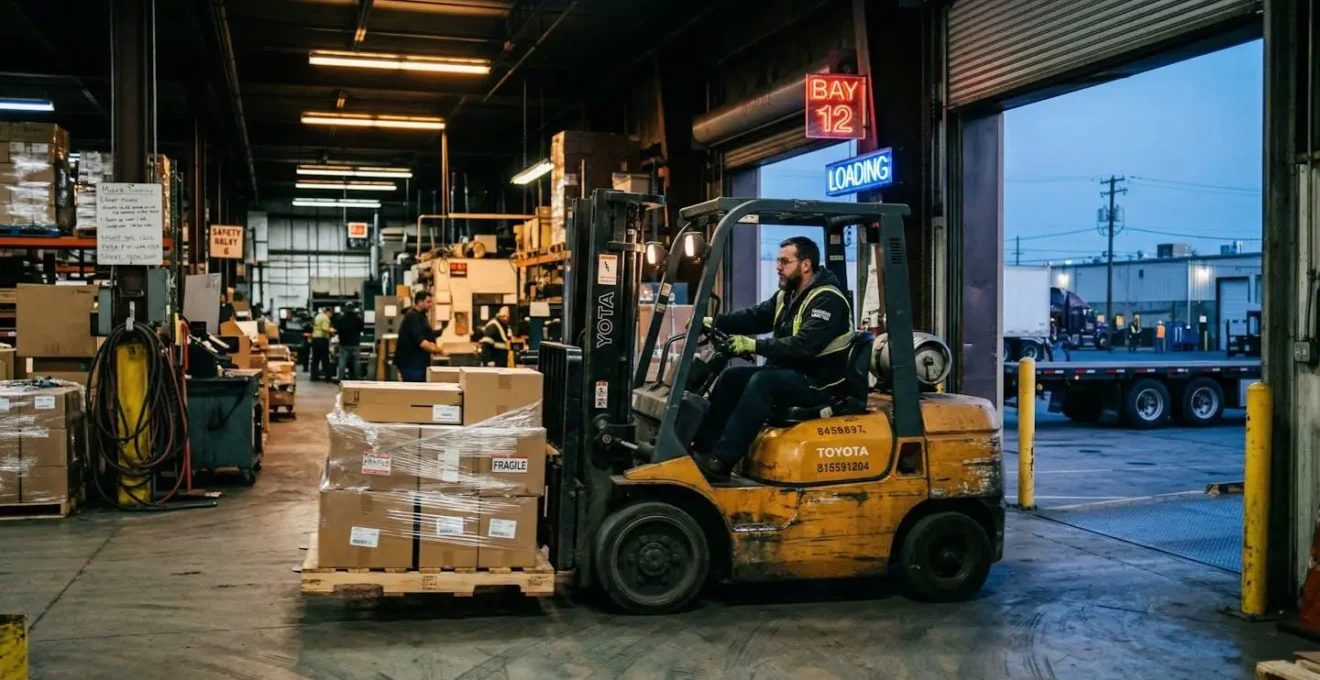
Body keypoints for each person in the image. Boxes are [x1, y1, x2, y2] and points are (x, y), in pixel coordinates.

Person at [690, 236, 853, 479]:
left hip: (820, 382)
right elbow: (755, 317)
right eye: (778, 261)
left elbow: (803, 346)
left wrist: (754, 345)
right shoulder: (788, 295)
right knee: (732, 377)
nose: (778, 266)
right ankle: (703, 449)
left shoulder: (827, 299)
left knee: (763, 383)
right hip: (794, 374)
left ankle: (721, 460)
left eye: (784, 261)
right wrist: (714, 322)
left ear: (805, 265)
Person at [394, 292, 445, 382]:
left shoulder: (421, 315)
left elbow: (427, 334)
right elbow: (421, 342)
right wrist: (437, 350)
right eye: (428, 302)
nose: (431, 305)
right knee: (416, 393)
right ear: (419, 302)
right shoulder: (412, 316)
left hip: (419, 364)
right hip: (411, 365)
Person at [334, 303, 365, 382]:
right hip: (355, 343)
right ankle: (358, 378)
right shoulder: (357, 319)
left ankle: (340, 378)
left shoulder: (341, 319)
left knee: (342, 361)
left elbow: (337, 330)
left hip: (344, 344)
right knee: (356, 362)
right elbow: (362, 329)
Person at [310, 306, 334, 381]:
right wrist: (332, 330)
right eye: (331, 313)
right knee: (325, 358)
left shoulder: (317, 316)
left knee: (315, 359)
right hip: (322, 340)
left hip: (315, 339)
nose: (331, 315)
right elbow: (325, 328)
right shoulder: (325, 318)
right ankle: (327, 377)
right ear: (328, 312)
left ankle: (313, 376)